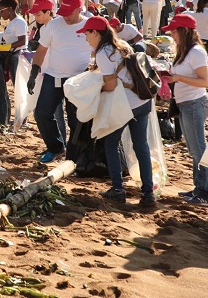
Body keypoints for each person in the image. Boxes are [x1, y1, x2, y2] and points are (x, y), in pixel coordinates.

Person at [78, 16, 155, 206]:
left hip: (124, 105)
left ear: (96, 33)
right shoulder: (122, 45)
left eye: (87, 34)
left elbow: (111, 85)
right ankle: (148, 193)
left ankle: (118, 189)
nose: (86, 38)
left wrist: (95, 89)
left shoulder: (103, 53)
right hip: (142, 102)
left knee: (111, 144)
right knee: (141, 147)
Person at [27, 0, 90, 163]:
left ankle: (75, 155)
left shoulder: (88, 25)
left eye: (69, 13)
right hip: (54, 76)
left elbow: (100, 48)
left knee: (75, 119)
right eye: (63, 12)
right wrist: (33, 73)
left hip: (79, 80)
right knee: (42, 113)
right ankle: (55, 147)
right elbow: (41, 50)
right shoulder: (53, 25)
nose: (65, 17)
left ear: (79, 10)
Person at [163, 14, 208, 206]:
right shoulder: (184, 51)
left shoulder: (196, 52)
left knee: (199, 149)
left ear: (185, 31)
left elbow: (205, 81)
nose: (172, 35)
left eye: (174, 31)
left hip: (194, 103)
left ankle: (204, 192)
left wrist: (178, 79)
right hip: (185, 103)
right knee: (193, 148)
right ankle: (198, 188)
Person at [0, 0, 27, 84]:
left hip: (17, 56)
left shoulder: (19, 22)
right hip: (11, 55)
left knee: (18, 84)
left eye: (2, 11)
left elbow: (23, 41)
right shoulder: (11, 23)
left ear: (9, 9)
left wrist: (7, 46)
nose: (0, 14)